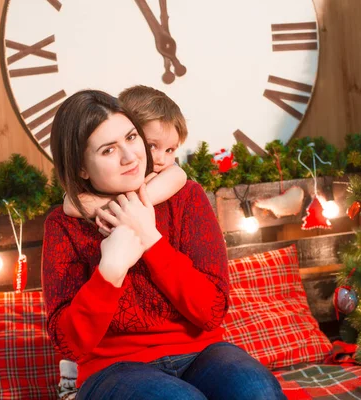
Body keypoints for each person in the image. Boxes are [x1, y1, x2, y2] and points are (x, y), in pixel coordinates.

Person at [42, 89, 285, 399]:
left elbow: (211, 311)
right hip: (113, 368)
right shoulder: (65, 225)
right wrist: (111, 269)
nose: (130, 157)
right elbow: (69, 343)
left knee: (256, 390)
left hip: (202, 353)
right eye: (108, 150)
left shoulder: (186, 198)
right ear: (81, 168)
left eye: (131, 138)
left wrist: (151, 240)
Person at [62, 85, 187, 234]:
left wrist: (126, 207)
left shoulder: (168, 174)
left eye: (170, 150)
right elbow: (71, 205)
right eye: (152, 146)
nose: (161, 159)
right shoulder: (100, 180)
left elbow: (179, 175)